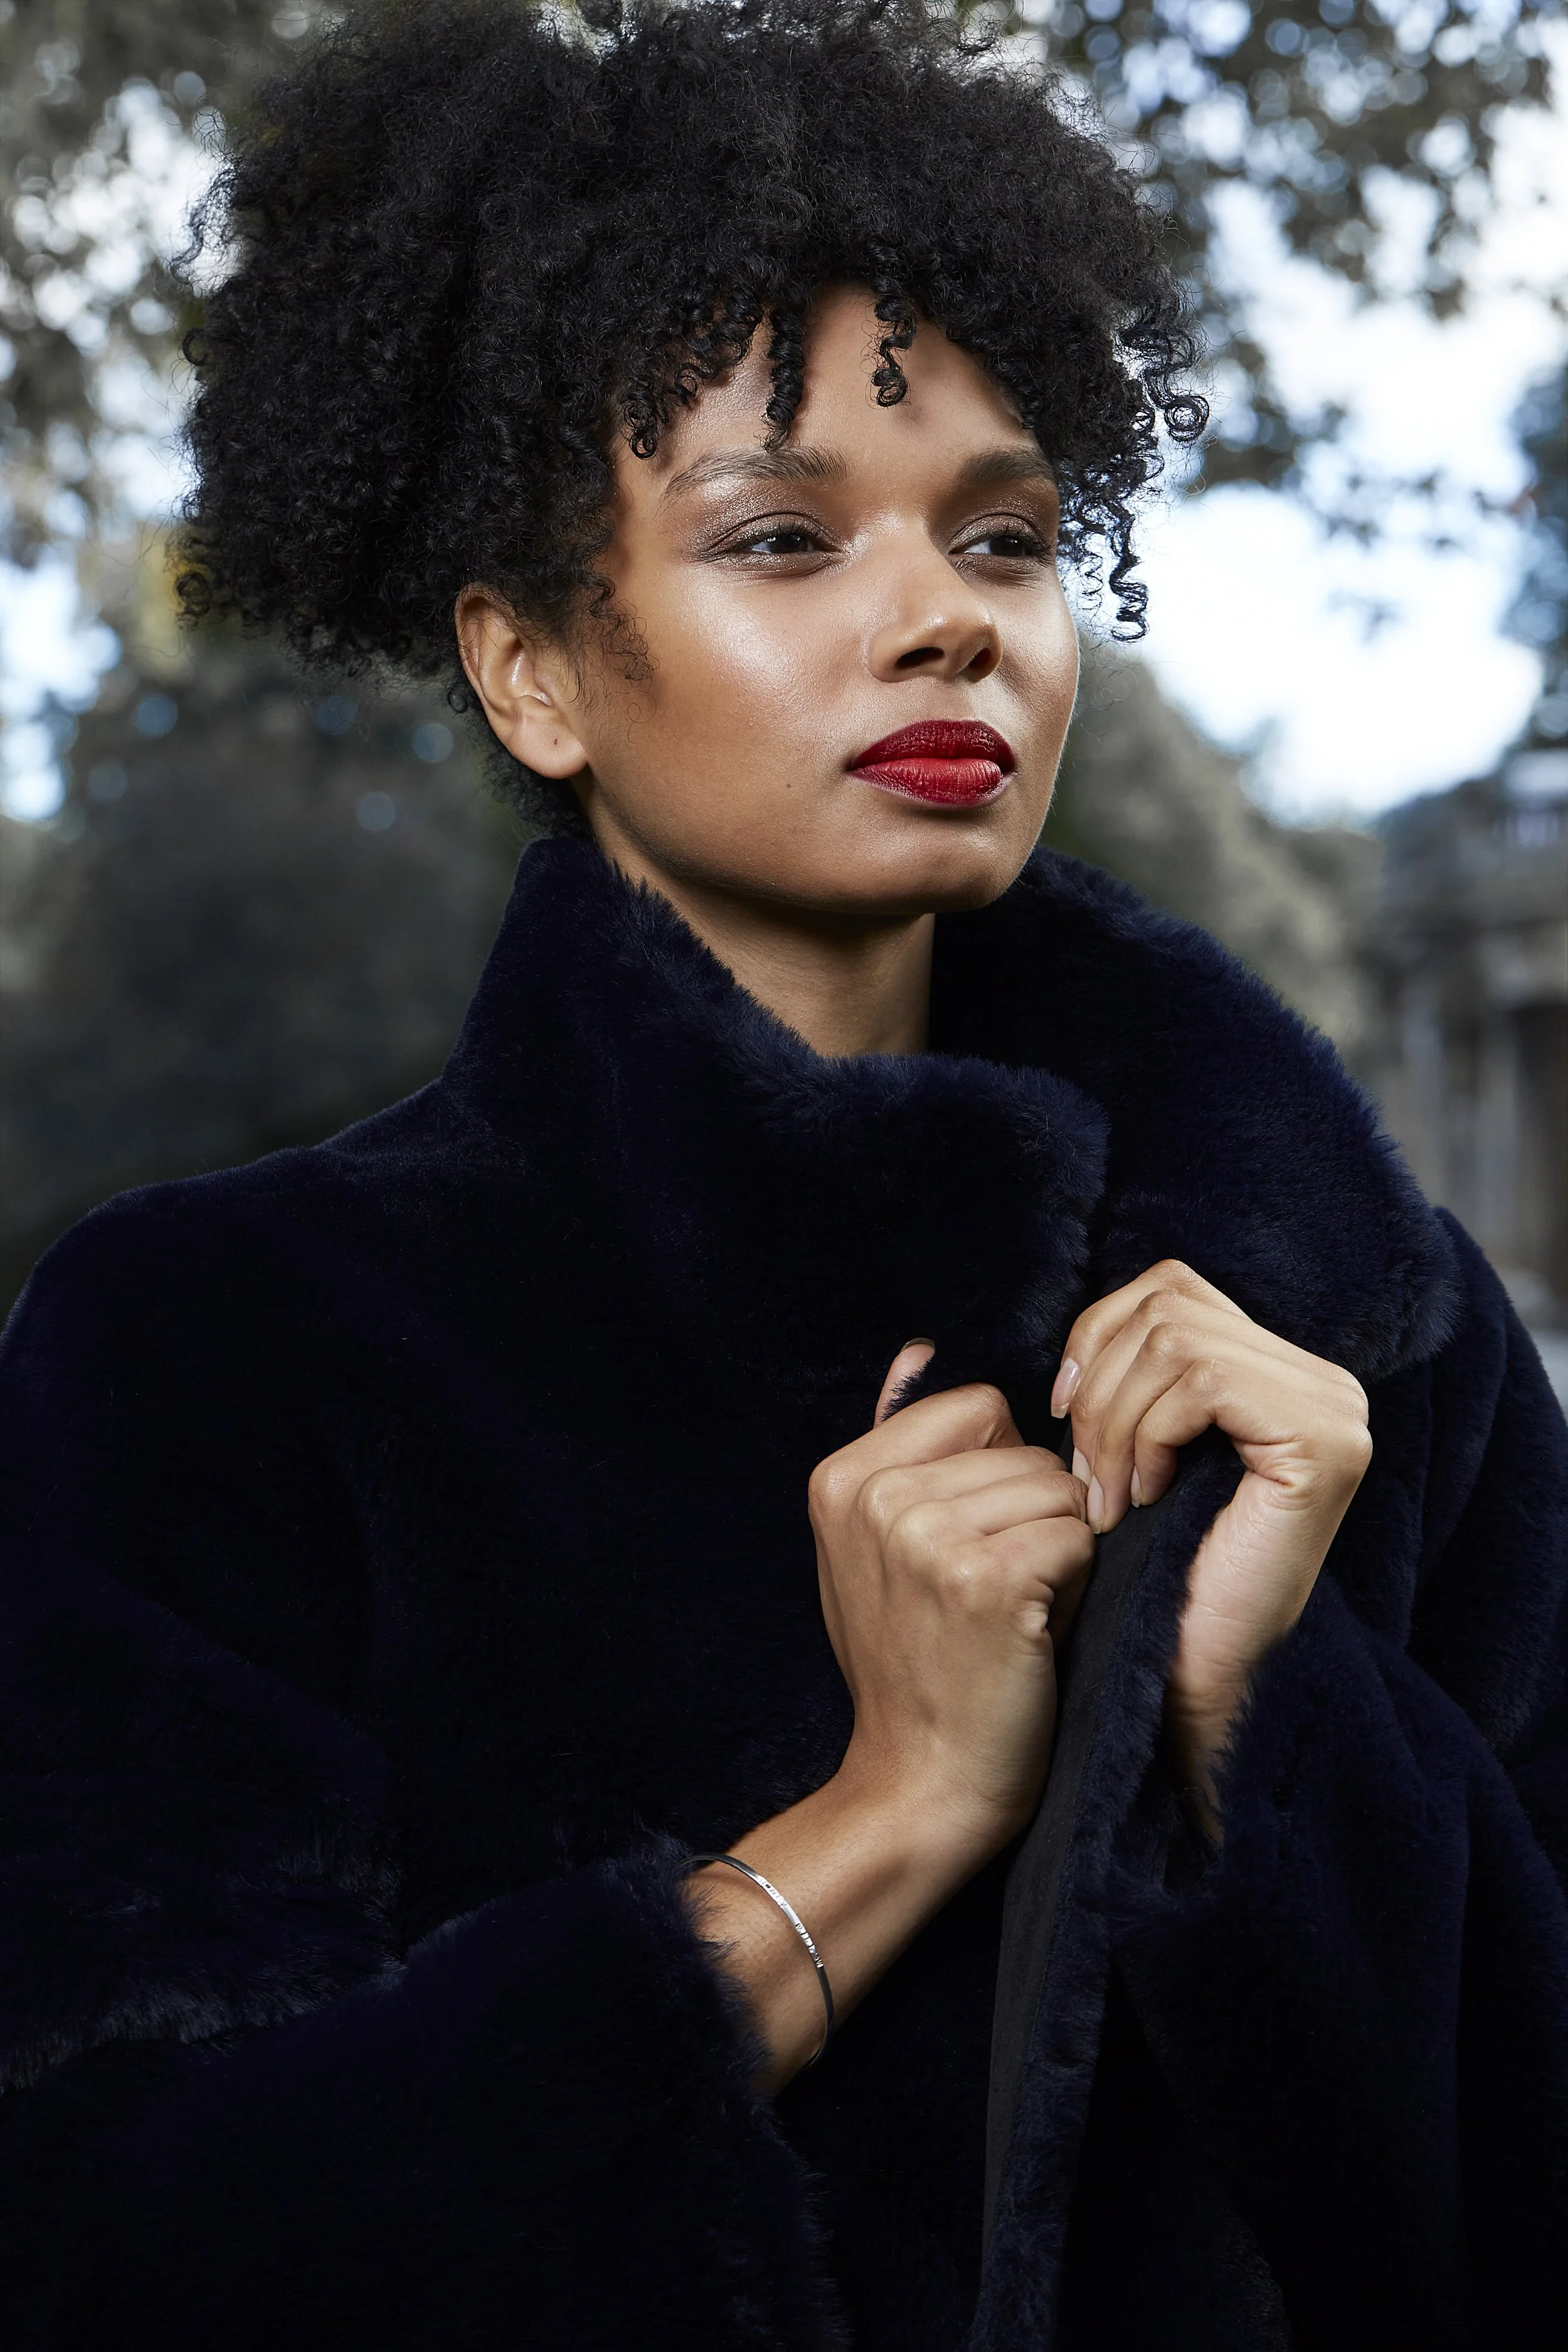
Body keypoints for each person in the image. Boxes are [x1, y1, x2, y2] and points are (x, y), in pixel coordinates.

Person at [1, 3, 1564, 2346]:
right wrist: (893, 1810)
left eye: (1010, 537)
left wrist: (1254, 1702)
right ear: (532, 669)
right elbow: (111, 2249)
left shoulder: (1351, 1339)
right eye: (781, 535)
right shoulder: (211, 1351)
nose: (947, 615)